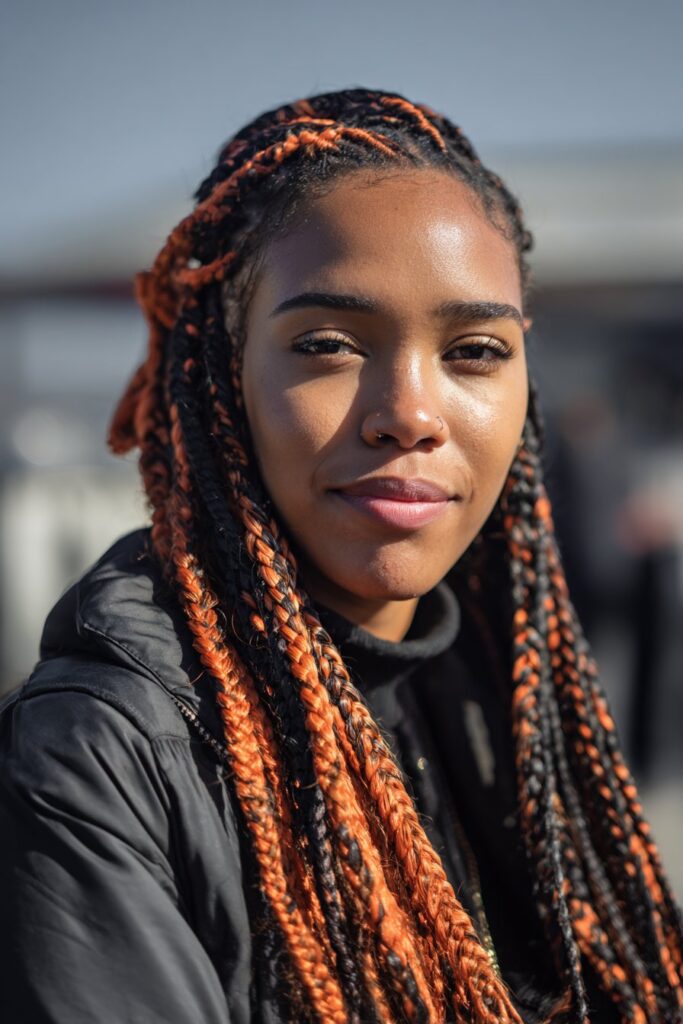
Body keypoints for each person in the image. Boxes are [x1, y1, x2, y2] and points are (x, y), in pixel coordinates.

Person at [0, 88, 680, 1024]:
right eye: (326, 344)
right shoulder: (103, 754)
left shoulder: (501, 707)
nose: (409, 412)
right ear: (227, 373)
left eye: (474, 349)